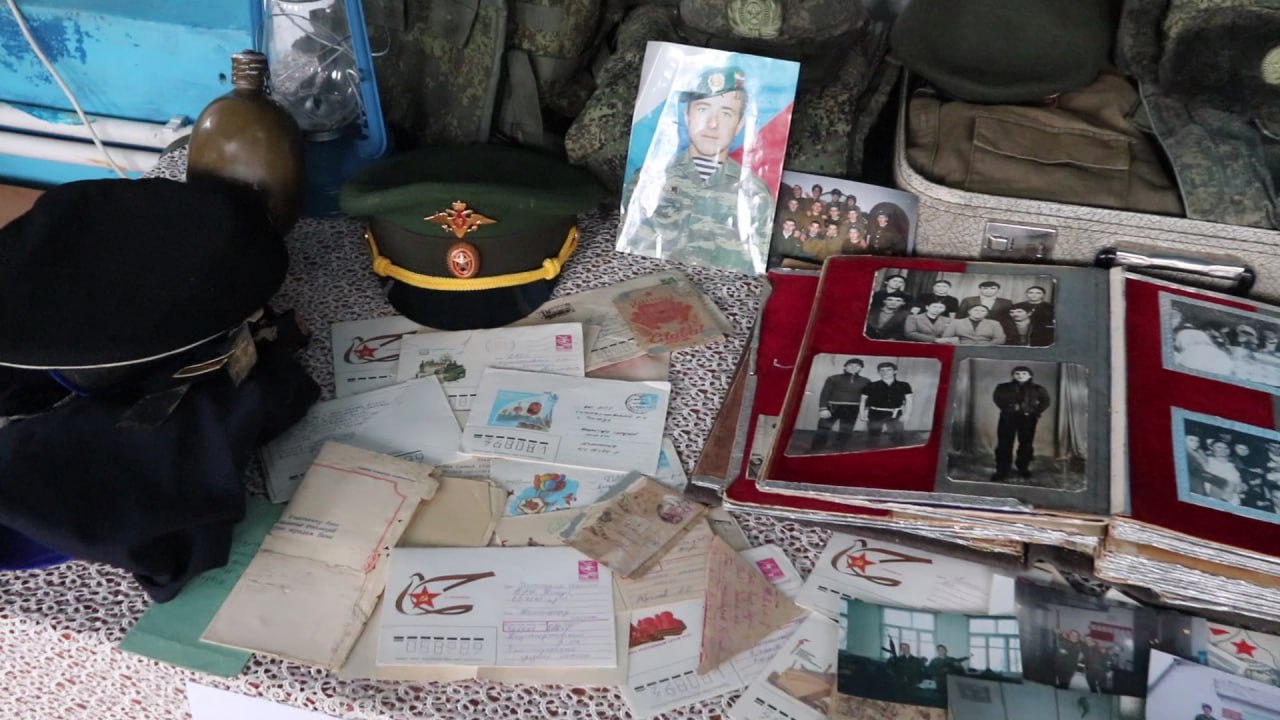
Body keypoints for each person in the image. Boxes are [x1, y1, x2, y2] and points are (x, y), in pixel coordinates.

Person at [622, 66, 773, 273]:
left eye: (726, 113)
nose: (712, 123)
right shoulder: (649, 179)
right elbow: (630, 247)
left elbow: (758, 264)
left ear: (739, 125)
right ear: (687, 116)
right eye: (703, 109)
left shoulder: (755, 194)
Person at [991, 366, 1051, 481]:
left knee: (1026, 444)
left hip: (1028, 419)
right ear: (1013, 375)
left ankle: (1023, 468)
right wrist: (1007, 408)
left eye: (1024, 373)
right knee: (1004, 444)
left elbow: (1046, 401)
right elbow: (997, 398)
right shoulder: (1003, 387)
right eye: (1017, 373)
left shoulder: (1038, 388)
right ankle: (1002, 470)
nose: (1020, 376)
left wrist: (1034, 412)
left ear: (1030, 375)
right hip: (1008, 418)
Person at [812, 358, 870, 451]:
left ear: (861, 368)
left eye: (857, 366)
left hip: (852, 408)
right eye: (850, 365)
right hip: (832, 407)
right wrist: (823, 408)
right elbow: (825, 394)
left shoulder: (866, 381)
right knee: (823, 428)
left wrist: (865, 410)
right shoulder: (833, 378)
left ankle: (838, 448)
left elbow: (867, 397)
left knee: (846, 430)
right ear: (845, 367)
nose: (853, 367)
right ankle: (816, 448)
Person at [860, 363, 914, 442]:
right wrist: (862, 414)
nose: (885, 372)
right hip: (875, 414)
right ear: (878, 372)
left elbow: (909, 401)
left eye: (889, 370)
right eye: (882, 370)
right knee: (873, 437)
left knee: (898, 438)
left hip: (895, 413)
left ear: (895, 371)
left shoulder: (904, 385)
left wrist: (907, 415)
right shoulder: (871, 385)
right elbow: (863, 401)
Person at [939, 304, 1007, 346]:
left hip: (987, 349)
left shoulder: (994, 323)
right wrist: (958, 344)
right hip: (961, 348)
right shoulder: (956, 322)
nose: (978, 312)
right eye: (975, 310)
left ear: (987, 314)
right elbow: (946, 337)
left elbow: (1000, 339)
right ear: (969, 311)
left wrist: (987, 345)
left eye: (983, 311)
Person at [1204, 438, 1245, 504]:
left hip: (1235, 501)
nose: (1223, 450)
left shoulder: (1231, 465)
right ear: (1212, 448)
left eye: (1226, 448)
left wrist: (1240, 487)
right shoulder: (1208, 462)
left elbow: (1240, 485)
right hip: (1217, 500)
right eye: (1219, 447)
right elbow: (1208, 483)